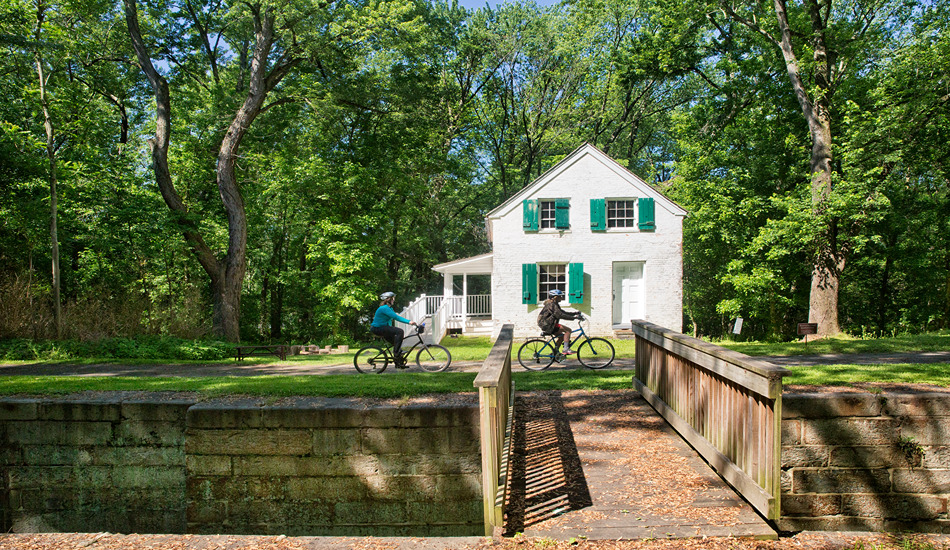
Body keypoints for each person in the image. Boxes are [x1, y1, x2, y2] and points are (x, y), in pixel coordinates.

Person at [371, 291, 416, 365]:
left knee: (396, 343)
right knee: (400, 331)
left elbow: (389, 321)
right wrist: (409, 322)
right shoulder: (384, 308)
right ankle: (397, 353)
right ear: (388, 299)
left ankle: (398, 362)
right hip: (378, 328)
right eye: (393, 298)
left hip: (382, 328)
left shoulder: (389, 308)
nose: (394, 300)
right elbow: (396, 317)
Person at [537, 289, 582, 355]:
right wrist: (574, 318)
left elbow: (562, 312)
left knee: (561, 337)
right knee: (568, 330)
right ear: (555, 297)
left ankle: (554, 354)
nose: (561, 298)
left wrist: (574, 313)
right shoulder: (551, 305)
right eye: (560, 296)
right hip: (548, 325)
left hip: (548, 324)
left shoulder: (554, 304)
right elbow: (559, 315)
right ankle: (566, 349)